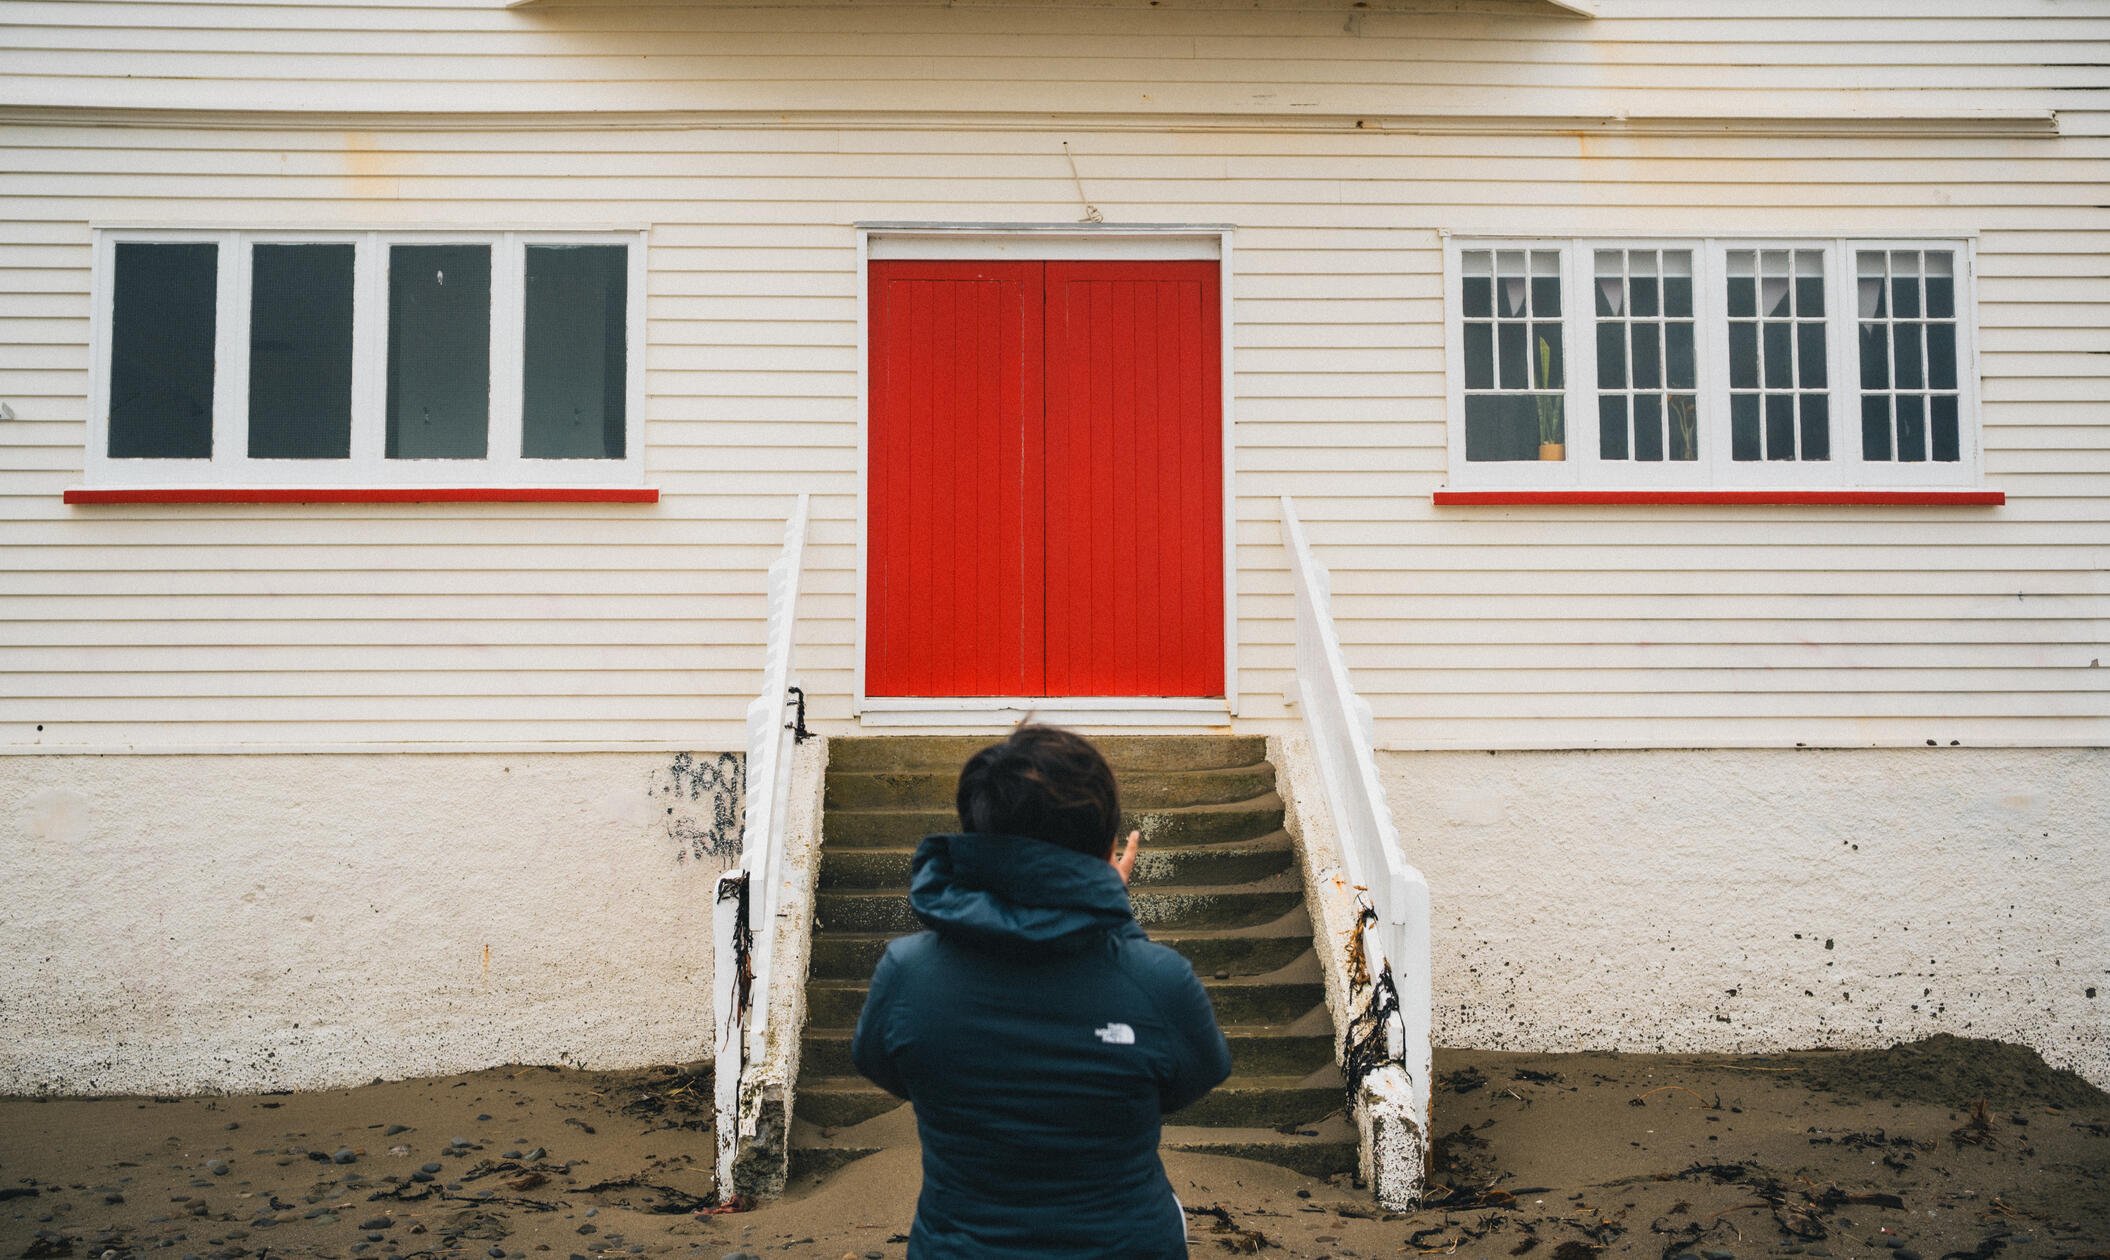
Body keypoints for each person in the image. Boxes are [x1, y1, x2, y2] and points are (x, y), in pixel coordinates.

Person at [850, 724, 1233, 1259]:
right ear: (1104, 845)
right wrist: (1110, 912)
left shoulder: (906, 972)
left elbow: (886, 1068)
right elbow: (1193, 1077)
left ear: (976, 836)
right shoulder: (1157, 980)